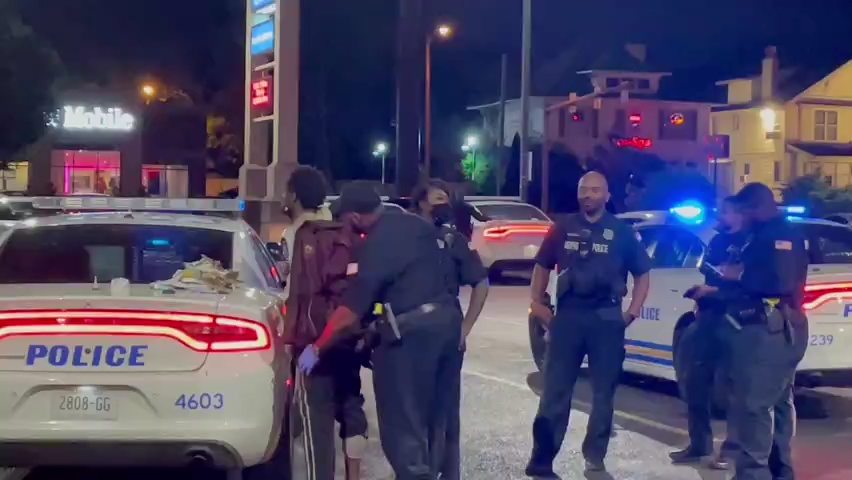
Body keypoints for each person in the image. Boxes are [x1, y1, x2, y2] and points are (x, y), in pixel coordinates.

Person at [295, 181, 464, 480]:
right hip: (448, 328)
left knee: (402, 429)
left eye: (346, 221)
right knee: (438, 422)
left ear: (356, 217)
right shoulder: (415, 224)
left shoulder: (376, 242)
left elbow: (349, 312)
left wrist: (317, 347)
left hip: (409, 338)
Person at [525, 171, 652, 476]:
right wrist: (537, 302)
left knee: (603, 395)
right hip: (567, 317)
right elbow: (542, 266)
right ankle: (541, 460)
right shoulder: (562, 228)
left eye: (595, 190)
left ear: (607, 196)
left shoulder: (621, 232)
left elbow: (643, 275)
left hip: (606, 319)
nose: (588, 195)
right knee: (554, 393)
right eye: (584, 190)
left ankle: (595, 457)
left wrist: (631, 312)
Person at [690, 183, 809, 480]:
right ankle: (779, 473)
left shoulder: (781, 235)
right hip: (768, 327)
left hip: (771, 329)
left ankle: (755, 475)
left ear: (756, 207)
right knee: (772, 403)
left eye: (743, 211)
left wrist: (739, 274)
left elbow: (778, 281)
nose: (741, 217)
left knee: (753, 408)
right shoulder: (760, 234)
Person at [282, 166, 367, 480]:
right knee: (350, 405)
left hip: (313, 342)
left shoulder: (299, 233)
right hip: (345, 335)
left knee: (313, 419)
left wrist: (296, 342)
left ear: (293, 195)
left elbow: (296, 291)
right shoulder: (341, 230)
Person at [411, 179, 490, 479]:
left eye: (446, 197)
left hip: (446, 333)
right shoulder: (406, 237)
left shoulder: (453, 239)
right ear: (421, 202)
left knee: (445, 407)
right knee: (413, 407)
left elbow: (481, 283)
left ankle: (446, 472)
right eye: (437, 197)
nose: (443, 202)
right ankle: (416, 468)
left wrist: (465, 327)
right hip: (411, 333)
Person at [669, 196, 745, 469]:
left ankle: (731, 450)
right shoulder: (717, 241)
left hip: (736, 321)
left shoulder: (750, 242)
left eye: (725, 211)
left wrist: (714, 291)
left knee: (733, 388)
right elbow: (710, 275)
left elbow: (747, 284)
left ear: (738, 213)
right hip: (707, 318)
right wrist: (701, 299)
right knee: (693, 379)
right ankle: (699, 444)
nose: (720, 215)